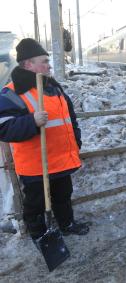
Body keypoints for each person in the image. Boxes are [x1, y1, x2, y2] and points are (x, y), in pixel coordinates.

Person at [0, 38, 89, 240]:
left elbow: (69, 118)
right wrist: (31, 121)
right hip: (36, 164)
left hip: (61, 159)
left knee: (63, 196)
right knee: (35, 203)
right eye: (44, 61)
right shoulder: (11, 93)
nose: (49, 66)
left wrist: (76, 141)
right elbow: (4, 128)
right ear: (28, 64)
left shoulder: (53, 87)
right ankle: (40, 235)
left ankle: (67, 224)